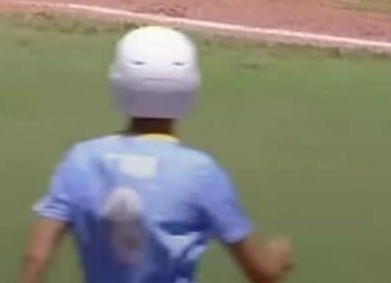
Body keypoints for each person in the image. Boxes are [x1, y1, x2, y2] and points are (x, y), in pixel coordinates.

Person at [20, 26, 294, 283]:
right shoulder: (200, 172)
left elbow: (37, 255)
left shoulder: (83, 160)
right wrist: (278, 256)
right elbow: (261, 270)